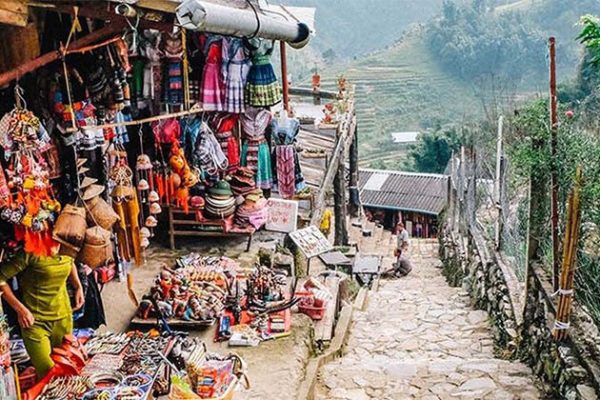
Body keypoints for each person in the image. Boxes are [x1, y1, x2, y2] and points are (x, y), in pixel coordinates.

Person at [0, 251, 84, 378]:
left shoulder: (67, 246)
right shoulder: (31, 253)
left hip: (63, 319)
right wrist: (20, 309)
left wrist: (78, 286)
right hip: (34, 322)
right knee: (48, 374)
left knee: (67, 370)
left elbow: (70, 261)